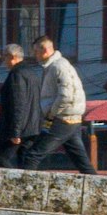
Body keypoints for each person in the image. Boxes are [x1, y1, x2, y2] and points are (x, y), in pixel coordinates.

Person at [24, 35, 96, 173]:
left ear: (44, 50)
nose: (35, 56)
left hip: (62, 118)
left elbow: (66, 95)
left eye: (36, 52)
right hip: (72, 119)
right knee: (81, 161)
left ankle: (23, 190)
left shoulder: (58, 66)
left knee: (33, 155)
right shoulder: (58, 65)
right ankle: (98, 188)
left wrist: (51, 113)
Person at [0, 44, 44, 169]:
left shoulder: (16, 74)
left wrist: (15, 132)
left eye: (4, 58)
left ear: (12, 57)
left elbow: (18, 103)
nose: (4, 62)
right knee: (25, 162)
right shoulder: (32, 73)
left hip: (20, 128)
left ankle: (14, 186)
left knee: (0, 159)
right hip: (32, 127)